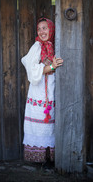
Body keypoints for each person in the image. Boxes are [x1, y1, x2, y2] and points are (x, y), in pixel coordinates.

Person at [21, 17, 63, 166]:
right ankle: (39, 157)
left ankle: (51, 156)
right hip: (39, 89)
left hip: (51, 87)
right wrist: (51, 67)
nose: (41, 31)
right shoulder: (37, 46)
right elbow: (30, 68)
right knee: (40, 120)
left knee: (52, 122)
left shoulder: (55, 44)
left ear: (51, 29)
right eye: (39, 29)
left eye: (44, 28)